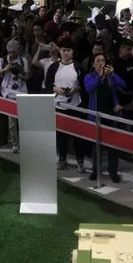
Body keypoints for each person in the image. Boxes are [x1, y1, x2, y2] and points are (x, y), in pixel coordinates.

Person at [45, 38, 87, 173]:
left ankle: (80, 160)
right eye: (63, 50)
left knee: (77, 136)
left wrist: (74, 90)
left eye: (68, 50)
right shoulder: (54, 67)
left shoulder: (78, 67)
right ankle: (62, 157)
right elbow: (47, 84)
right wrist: (56, 89)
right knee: (60, 135)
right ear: (60, 51)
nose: (65, 53)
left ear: (73, 52)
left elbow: (84, 86)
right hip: (58, 106)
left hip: (75, 106)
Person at [85, 53, 126, 183]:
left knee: (113, 146)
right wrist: (100, 76)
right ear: (93, 64)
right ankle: (96, 170)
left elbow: (123, 85)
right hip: (96, 116)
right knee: (97, 146)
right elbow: (89, 88)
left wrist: (112, 75)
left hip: (111, 115)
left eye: (103, 60)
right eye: (98, 61)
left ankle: (113, 171)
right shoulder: (89, 77)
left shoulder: (110, 77)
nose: (101, 63)